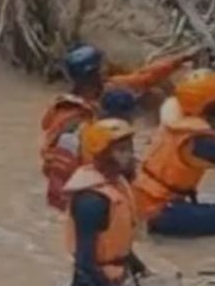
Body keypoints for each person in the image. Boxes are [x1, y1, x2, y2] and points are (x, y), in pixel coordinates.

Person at [40, 43, 199, 210]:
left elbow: (145, 77)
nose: (106, 68)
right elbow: (59, 166)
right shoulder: (71, 119)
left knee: (154, 95)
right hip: (84, 176)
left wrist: (179, 60)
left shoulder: (109, 89)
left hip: (106, 160)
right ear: (92, 74)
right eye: (101, 67)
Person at [134, 68, 215, 237]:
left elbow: (213, 145)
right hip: (159, 209)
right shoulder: (199, 142)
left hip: (143, 198)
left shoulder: (175, 120)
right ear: (208, 104)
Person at [63, 118, 151, 286]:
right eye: (121, 151)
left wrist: (141, 270)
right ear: (103, 155)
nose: (129, 156)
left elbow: (117, 245)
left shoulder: (116, 184)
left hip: (117, 279)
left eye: (129, 148)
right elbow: (84, 264)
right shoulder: (91, 201)